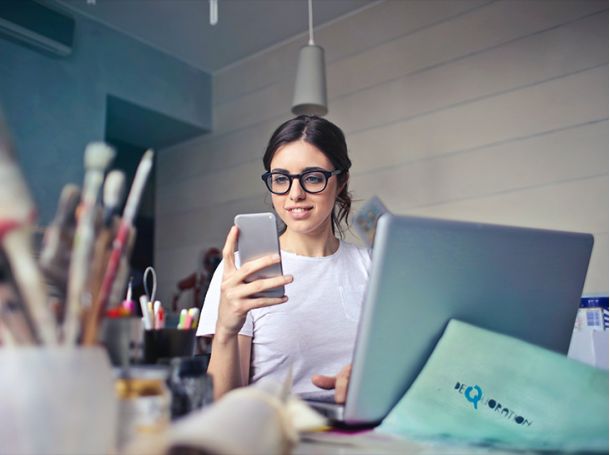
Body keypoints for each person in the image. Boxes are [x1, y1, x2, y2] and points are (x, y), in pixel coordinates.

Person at [197, 115, 371, 403]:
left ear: (341, 181)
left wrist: (368, 379)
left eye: (313, 177)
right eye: (281, 179)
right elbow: (223, 405)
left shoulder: (372, 266)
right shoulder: (243, 271)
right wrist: (226, 330)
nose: (295, 194)